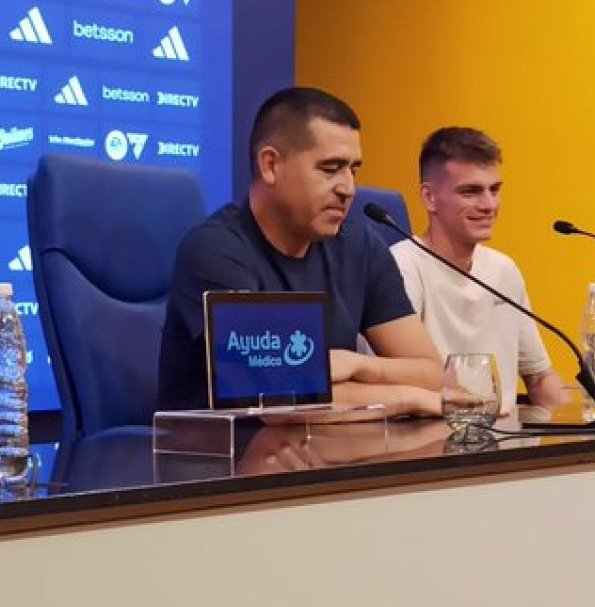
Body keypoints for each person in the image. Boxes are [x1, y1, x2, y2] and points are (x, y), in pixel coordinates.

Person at [158, 86, 442, 414]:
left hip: (330, 451)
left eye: (354, 169)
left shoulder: (359, 245)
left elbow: (433, 375)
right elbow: (276, 393)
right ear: (270, 165)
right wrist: (409, 398)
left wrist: (356, 365)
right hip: (223, 457)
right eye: (330, 168)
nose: (348, 188)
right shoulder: (215, 250)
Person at [392, 127, 569, 414]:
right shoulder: (401, 267)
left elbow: (539, 378)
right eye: (471, 191)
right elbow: (396, 386)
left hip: (506, 443)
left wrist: (582, 431)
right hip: (434, 440)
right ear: (429, 197)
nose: (489, 205)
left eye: (495, 190)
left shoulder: (503, 269)